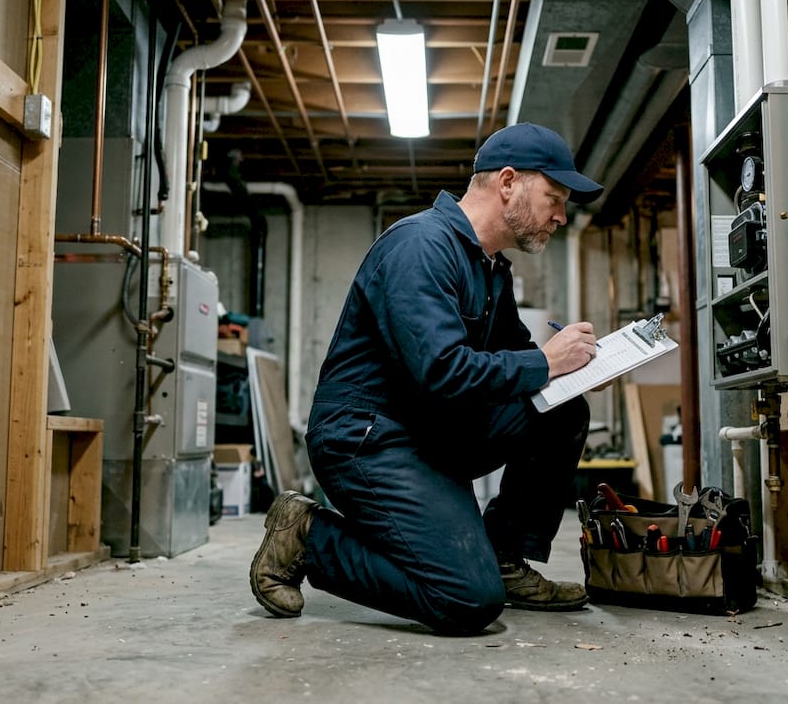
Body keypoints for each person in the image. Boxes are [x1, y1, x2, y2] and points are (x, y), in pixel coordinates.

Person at [249, 123, 604, 635]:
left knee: (562, 408)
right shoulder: (421, 246)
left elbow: (522, 360)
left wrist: (582, 367)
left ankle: (505, 559)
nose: (560, 215)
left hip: (431, 433)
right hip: (368, 441)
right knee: (466, 600)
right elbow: (441, 371)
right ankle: (308, 537)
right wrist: (549, 362)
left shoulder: (489, 268)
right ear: (508, 183)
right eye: (553, 196)